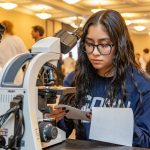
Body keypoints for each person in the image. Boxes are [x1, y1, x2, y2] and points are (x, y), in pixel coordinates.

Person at [47, 9, 150, 148]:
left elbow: (146, 142)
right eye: (89, 44)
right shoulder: (75, 79)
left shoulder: (142, 86)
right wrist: (54, 121)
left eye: (104, 44)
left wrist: (117, 123)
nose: (95, 52)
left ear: (120, 45)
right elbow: (61, 133)